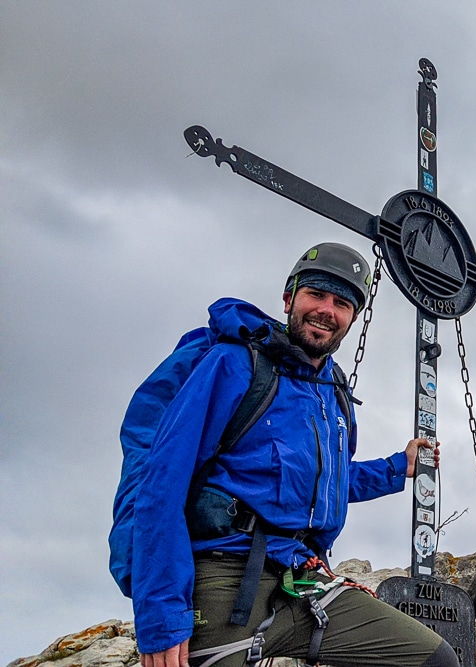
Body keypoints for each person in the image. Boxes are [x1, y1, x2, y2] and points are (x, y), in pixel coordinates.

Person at [124, 242, 458, 667]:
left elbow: (324, 482)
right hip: (225, 576)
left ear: (352, 318)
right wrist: (161, 615)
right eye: (316, 295)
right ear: (289, 299)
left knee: (434, 659)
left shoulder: (332, 393)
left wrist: (398, 467)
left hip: (302, 580)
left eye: (341, 303)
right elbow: (162, 483)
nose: (327, 310)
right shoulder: (234, 365)